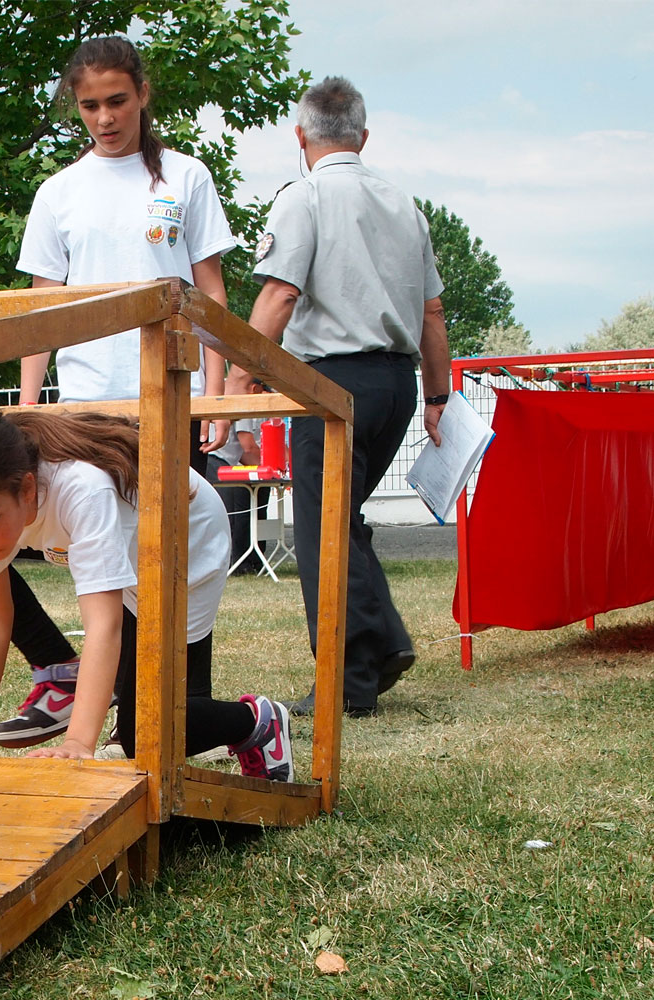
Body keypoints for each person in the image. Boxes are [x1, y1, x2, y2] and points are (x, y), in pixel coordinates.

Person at [227, 77, 451, 717]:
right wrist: (437, 398)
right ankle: (385, 644)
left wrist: (242, 377)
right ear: (364, 136)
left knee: (322, 529)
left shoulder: (304, 197)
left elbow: (279, 295)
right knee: (342, 520)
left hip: (332, 383)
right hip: (397, 385)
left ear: (300, 137)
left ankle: (350, 683)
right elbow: (433, 314)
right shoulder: (404, 205)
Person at [0, 410, 291, 779]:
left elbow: (103, 626)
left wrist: (78, 742)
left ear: (28, 488)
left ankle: (257, 721)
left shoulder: (83, 489)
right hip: (123, 537)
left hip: (185, 542)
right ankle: (64, 674)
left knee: (143, 732)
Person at [16, 35, 238, 469]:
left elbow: (210, 293)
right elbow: (40, 308)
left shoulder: (187, 176)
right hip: (85, 400)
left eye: (117, 100)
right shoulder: (58, 191)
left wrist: (216, 392)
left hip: (173, 389)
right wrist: (28, 408)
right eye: (90, 105)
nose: (105, 118)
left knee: (174, 529)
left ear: (142, 93)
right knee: (94, 532)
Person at [206, 417, 269, 575]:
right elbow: (247, 447)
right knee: (228, 518)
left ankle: (246, 562)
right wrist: (270, 470)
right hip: (217, 458)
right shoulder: (246, 409)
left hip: (229, 461)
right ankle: (233, 564)